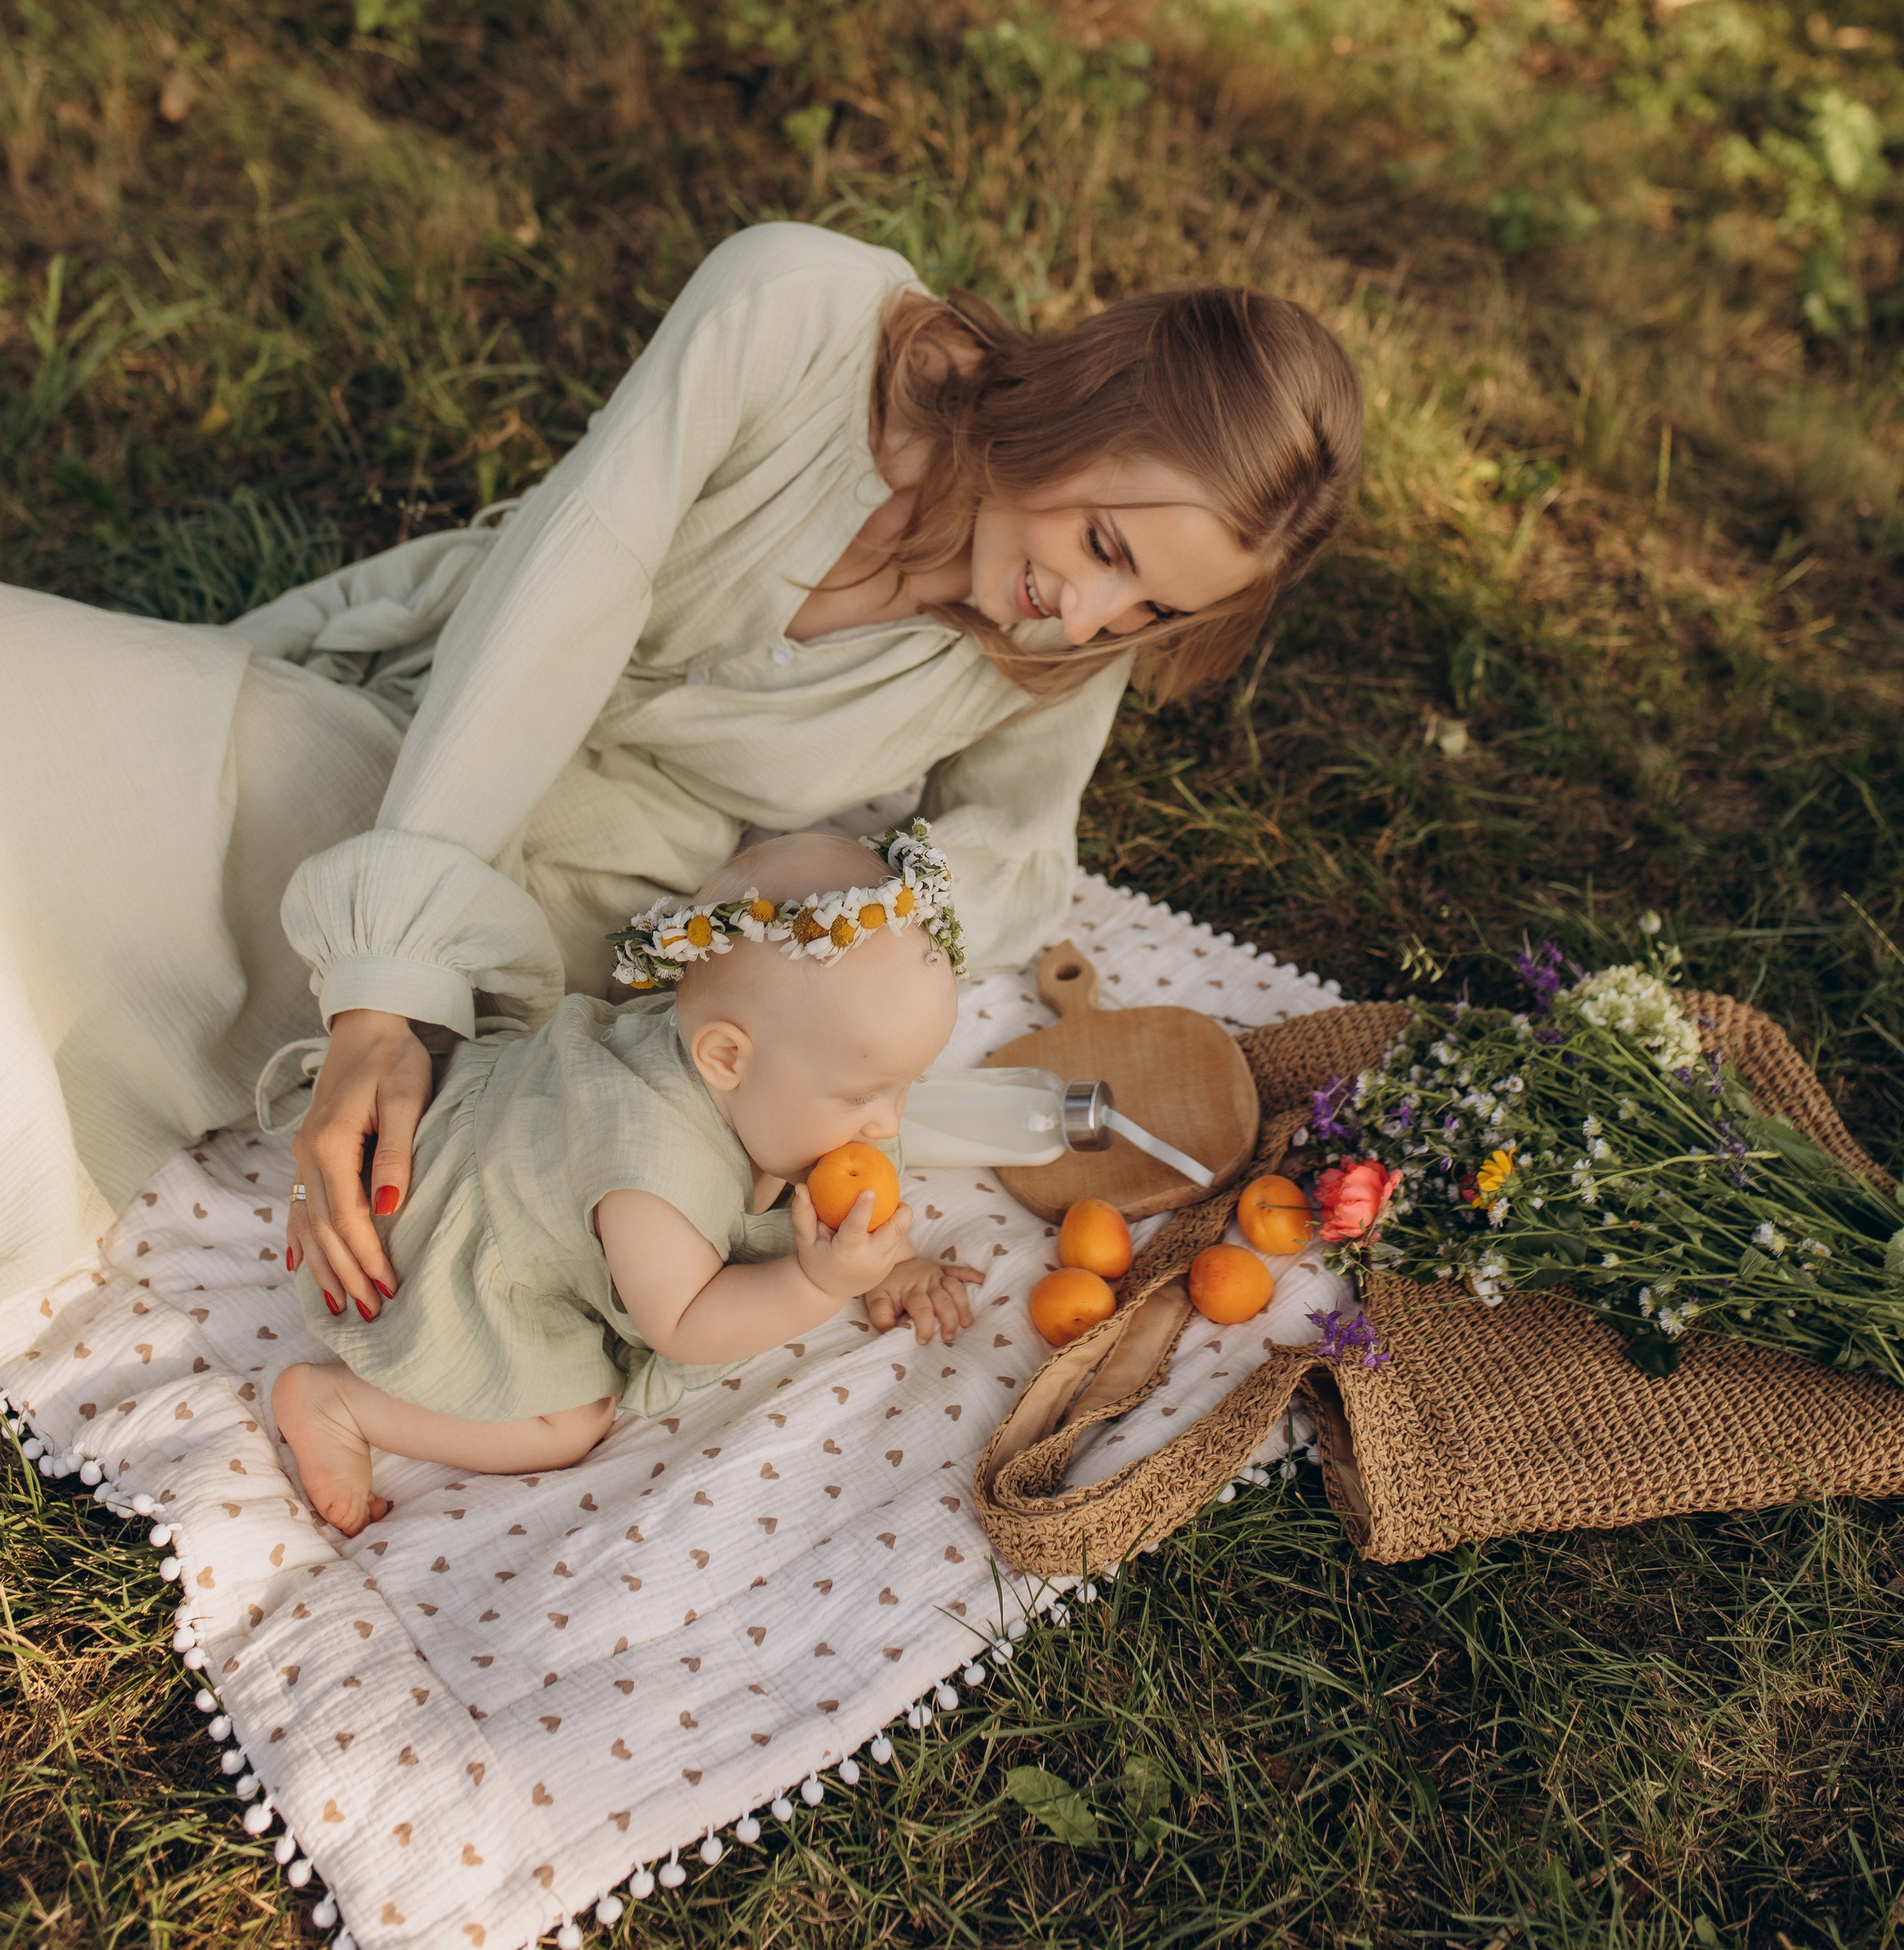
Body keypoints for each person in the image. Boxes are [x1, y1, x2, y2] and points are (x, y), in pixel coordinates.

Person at [0, 219, 1358, 1323]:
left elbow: (1013, 854)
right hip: (433, 721)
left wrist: (837, 913)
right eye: (1110, 552)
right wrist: (385, 988)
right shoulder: (800, 309)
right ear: (1087, 395)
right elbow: (562, 596)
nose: (1083, 622)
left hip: (587, 912)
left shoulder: (1057, 651)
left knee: (161, 891)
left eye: (1147, 617)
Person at [270, 826, 981, 1537]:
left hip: (520, 1126)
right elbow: (685, 1324)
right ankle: (337, 1404)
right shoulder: (652, 1172)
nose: (888, 1121)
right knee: (569, 1423)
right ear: (725, 1059)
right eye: (862, 1095)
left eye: (906, 1084)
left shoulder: (770, 1086)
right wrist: (822, 1283)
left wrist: (886, 1259)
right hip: (467, 1226)